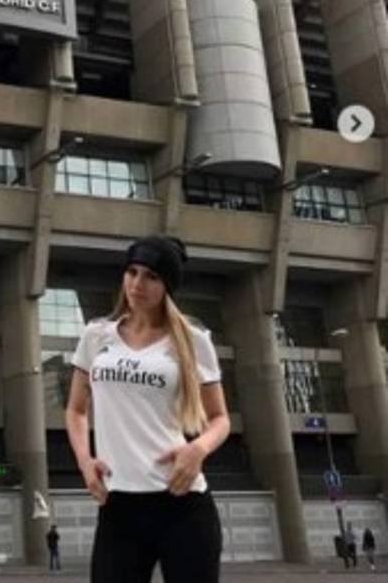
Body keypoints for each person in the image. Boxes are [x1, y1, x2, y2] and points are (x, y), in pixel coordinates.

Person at [66, 234, 231, 583]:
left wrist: (197, 449)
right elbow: (77, 410)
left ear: (168, 286)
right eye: (132, 271)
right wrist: (84, 460)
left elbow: (219, 419)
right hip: (118, 507)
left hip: (182, 504)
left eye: (151, 276)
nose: (137, 284)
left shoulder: (193, 340)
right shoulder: (96, 336)